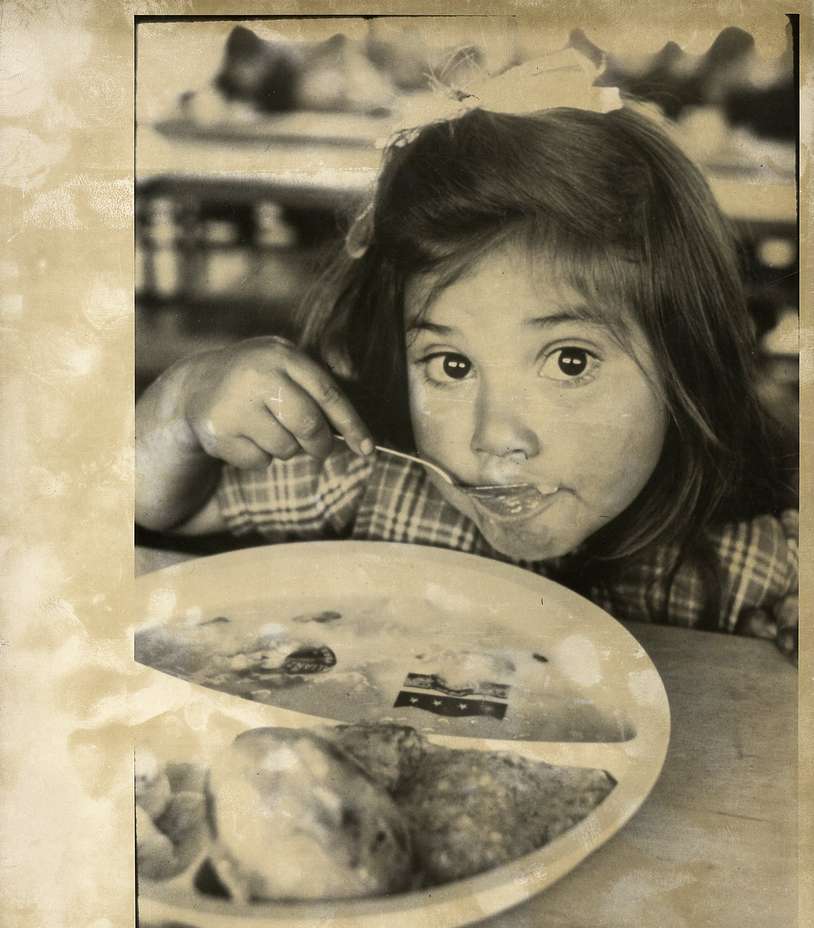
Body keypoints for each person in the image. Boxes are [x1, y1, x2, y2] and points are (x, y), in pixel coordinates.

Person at [135, 55, 798, 657]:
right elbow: (157, 507)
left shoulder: (747, 566)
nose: (496, 437)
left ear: (687, 360)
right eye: (452, 366)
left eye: (570, 361)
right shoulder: (370, 487)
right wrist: (181, 406)